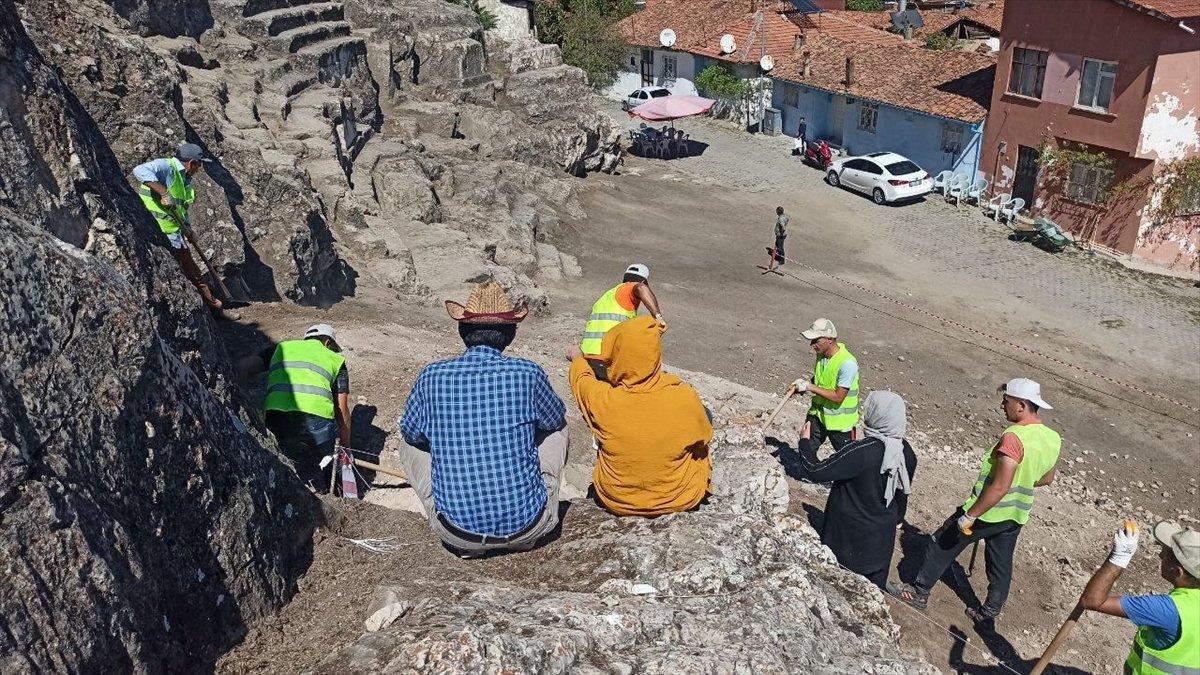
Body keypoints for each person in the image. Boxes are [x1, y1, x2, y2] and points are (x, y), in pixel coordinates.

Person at [398, 282, 569, 557]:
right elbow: (553, 420)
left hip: (458, 535)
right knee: (559, 426)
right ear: (510, 334)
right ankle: (522, 512)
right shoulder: (528, 372)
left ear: (463, 331)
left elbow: (412, 433)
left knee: (407, 439)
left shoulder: (432, 375)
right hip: (529, 528)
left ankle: (463, 520)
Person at [888, 378, 1061, 624]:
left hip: (987, 512)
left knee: (941, 542)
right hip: (1016, 515)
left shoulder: (1014, 438)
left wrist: (970, 515)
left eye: (1006, 401)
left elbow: (1000, 486)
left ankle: (918, 592)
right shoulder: (1052, 437)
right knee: (1000, 561)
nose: (1002, 405)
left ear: (1022, 405)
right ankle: (989, 610)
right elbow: (1047, 478)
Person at [568, 316, 712, 517]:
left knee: (602, 433)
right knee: (704, 417)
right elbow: (704, 438)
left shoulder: (603, 399)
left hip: (617, 500)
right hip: (680, 497)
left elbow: (581, 379)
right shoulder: (684, 396)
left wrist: (577, 359)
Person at [791, 391, 917, 590]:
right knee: (873, 596)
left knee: (839, 591)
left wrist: (804, 442)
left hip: (847, 539)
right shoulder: (906, 453)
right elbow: (902, 493)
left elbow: (816, 470)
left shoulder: (861, 451)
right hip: (880, 542)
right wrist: (899, 518)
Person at [239, 324, 352, 492]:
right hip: (317, 419)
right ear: (328, 343)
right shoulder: (335, 360)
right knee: (333, 464)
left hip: (275, 417)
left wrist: (239, 400)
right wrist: (346, 449)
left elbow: (243, 367)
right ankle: (341, 494)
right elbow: (341, 409)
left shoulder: (281, 348)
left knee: (282, 451)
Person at [132, 142, 237, 320]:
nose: (200, 168)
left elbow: (181, 209)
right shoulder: (167, 166)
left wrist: (188, 229)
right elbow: (139, 170)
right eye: (199, 164)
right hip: (156, 231)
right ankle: (215, 307)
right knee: (190, 271)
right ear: (191, 162)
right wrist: (164, 193)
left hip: (174, 231)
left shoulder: (185, 180)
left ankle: (214, 307)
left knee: (189, 270)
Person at [1080, 520, 1199, 674]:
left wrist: (1120, 557)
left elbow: (1091, 600)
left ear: (1178, 572)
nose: (1160, 554)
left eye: (1167, 553)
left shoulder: (1167, 609)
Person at [580, 263, 665, 382]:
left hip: (589, 355)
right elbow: (640, 288)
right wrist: (657, 316)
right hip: (607, 358)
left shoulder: (609, 296)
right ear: (643, 281)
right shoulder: (632, 288)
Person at [793, 318, 859, 451]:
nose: (812, 345)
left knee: (848, 460)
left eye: (816, 340)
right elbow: (823, 379)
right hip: (817, 414)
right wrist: (804, 385)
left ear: (830, 339)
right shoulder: (822, 355)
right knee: (806, 448)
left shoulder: (847, 363)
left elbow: (838, 397)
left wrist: (809, 387)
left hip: (841, 423)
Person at [767, 206, 788, 271]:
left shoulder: (781, 219)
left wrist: (781, 232)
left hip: (780, 236)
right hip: (781, 235)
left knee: (780, 248)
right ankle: (774, 259)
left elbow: (783, 227)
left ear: (778, 211)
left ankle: (781, 261)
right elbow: (787, 220)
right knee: (777, 246)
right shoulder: (785, 216)